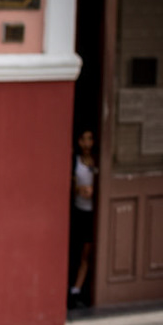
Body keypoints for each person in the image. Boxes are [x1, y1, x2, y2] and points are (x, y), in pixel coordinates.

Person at [68, 129, 97, 308]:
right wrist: (81, 190)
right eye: (84, 139)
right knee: (76, 251)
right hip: (78, 210)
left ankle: (79, 289)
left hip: (91, 212)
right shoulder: (75, 161)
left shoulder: (97, 160)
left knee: (87, 252)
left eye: (90, 139)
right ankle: (72, 291)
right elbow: (69, 184)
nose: (87, 143)